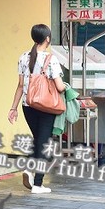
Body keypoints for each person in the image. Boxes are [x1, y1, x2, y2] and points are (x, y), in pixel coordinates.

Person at [8, 23, 66, 194]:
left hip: (28, 106)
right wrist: (68, 89)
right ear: (47, 38)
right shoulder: (51, 59)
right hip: (46, 106)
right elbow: (60, 87)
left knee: (38, 141)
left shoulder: (23, 57)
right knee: (43, 143)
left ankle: (28, 169)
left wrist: (13, 108)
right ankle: (38, 184)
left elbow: (20, 86)